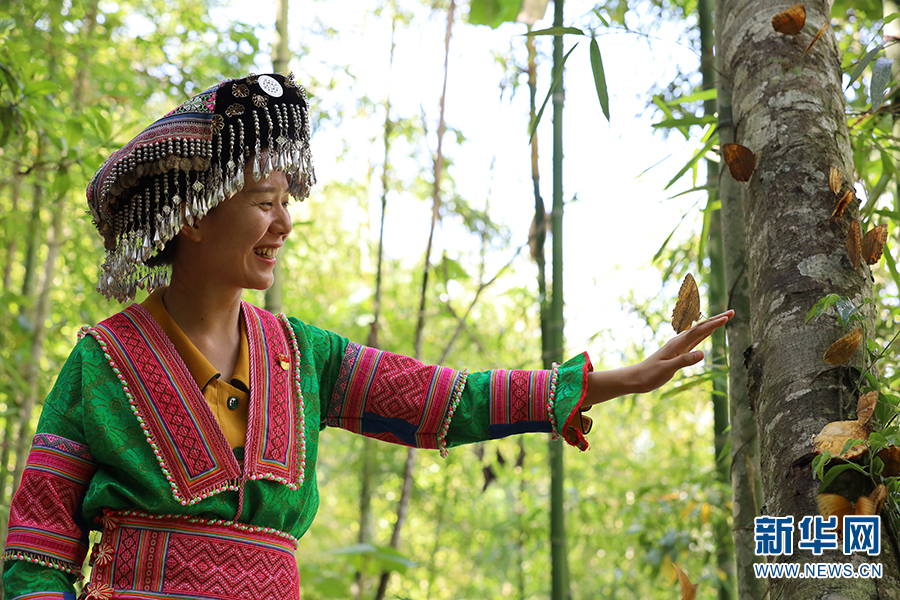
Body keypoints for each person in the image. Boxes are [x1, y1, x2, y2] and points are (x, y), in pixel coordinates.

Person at [1, 73, 733, 600]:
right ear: (194, 215)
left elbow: (448, 402)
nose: (285, 223)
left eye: (287, 202)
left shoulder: (304, 357)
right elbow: (35, 554)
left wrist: (623, 377)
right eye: (265, 203)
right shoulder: (102, 361)